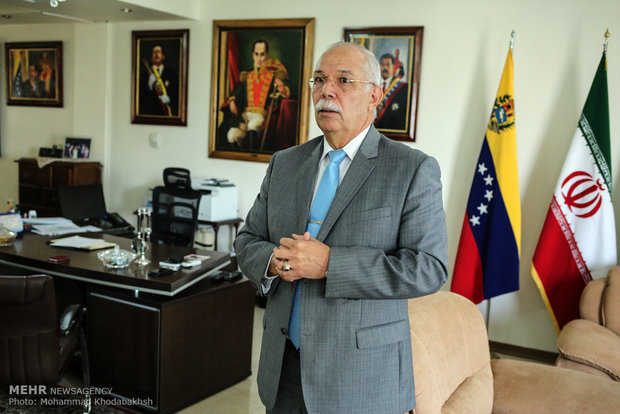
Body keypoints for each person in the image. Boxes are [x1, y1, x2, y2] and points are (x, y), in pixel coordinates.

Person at [234, 42, 448, 413]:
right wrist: (275, 262)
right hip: (283, 367)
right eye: (319, 80)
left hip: (360, 378)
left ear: (374, 96)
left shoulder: (411, 169)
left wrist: (331, 264)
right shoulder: (285, 163)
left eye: (343, 80)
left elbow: (428, 268)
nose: (325, 91)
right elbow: (248, 240)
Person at [218, 39, 295, 150]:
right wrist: (232, 101)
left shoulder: (274, 74)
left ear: (266, 55)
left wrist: (283, 89)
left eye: (262, 54)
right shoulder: (246, 75)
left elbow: (293, 88)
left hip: (261, 116)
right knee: (232, 134)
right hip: (244, 116)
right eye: (257, 54)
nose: (259, 58)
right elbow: (236, 92)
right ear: (253, 54)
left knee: (253, 126)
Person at [139, 45, 178, 116]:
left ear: (163, 56)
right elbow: (140, 96)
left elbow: (177, 92)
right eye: (154, 52)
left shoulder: (171, 72)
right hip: (150, 113)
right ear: (151, 58)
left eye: (158, 52)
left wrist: (169, 99)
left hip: (166, 113)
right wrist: (149, 85)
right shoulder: (145, 73)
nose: (156, 54)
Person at [374, 53, 409, 131]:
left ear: (393, 67)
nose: (385, 68)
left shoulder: (403, 87)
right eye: (382, 65)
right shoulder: (372, 84)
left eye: (388, 65)